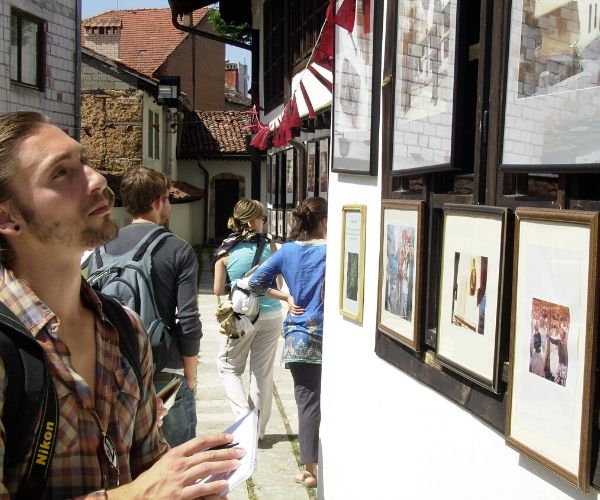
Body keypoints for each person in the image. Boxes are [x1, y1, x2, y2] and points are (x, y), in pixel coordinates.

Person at [0, 111, 243, 497]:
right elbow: (145, 489)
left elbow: (150, 465)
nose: (96, 179)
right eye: (60, 173)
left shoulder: (125, 329)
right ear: (7, 217)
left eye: (81, 161)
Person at [91, 166, 202, 447]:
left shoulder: (100, 249)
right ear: (157, 202)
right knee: (179, 465)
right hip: (161, 370)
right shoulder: (178, 249)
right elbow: (188, 320)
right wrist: (190, 376)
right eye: (168, 198)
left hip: (112, 372)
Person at [249, 197, 327, 488]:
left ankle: (310, 470)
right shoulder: (334, 250)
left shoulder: (287, 252)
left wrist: (286, 297)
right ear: (323, 221)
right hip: (329, 335)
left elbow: (255, 282)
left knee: (307, 403)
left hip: (298, 338)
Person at [213, 199, 282, 440]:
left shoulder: (226, 250)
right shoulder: (270, 247)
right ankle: (259, 432)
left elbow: (218, 289)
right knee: (262, 373)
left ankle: (244, 419)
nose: (264, 222)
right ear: (253, 221)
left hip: (242, 316)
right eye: (262, 218)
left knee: (228, 367)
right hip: (271, 313)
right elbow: (279, 283)